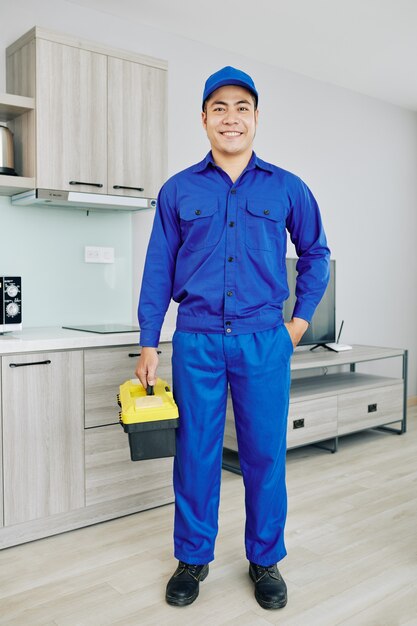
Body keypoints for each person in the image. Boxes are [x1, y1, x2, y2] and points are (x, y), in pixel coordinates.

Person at [135, 66, 330, 610]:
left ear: (256, 118)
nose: (231, 117)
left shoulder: (287, 187)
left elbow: (316, 254)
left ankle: (265, 559)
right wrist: (150, 340)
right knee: (195, 454)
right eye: (219, 107)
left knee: (265, 454)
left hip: (264, 340)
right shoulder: (179, 190)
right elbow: (157, 268)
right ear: (203, 119)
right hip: (195, 338)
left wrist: (299, 322)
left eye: (242, 107)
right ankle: (193, 557)